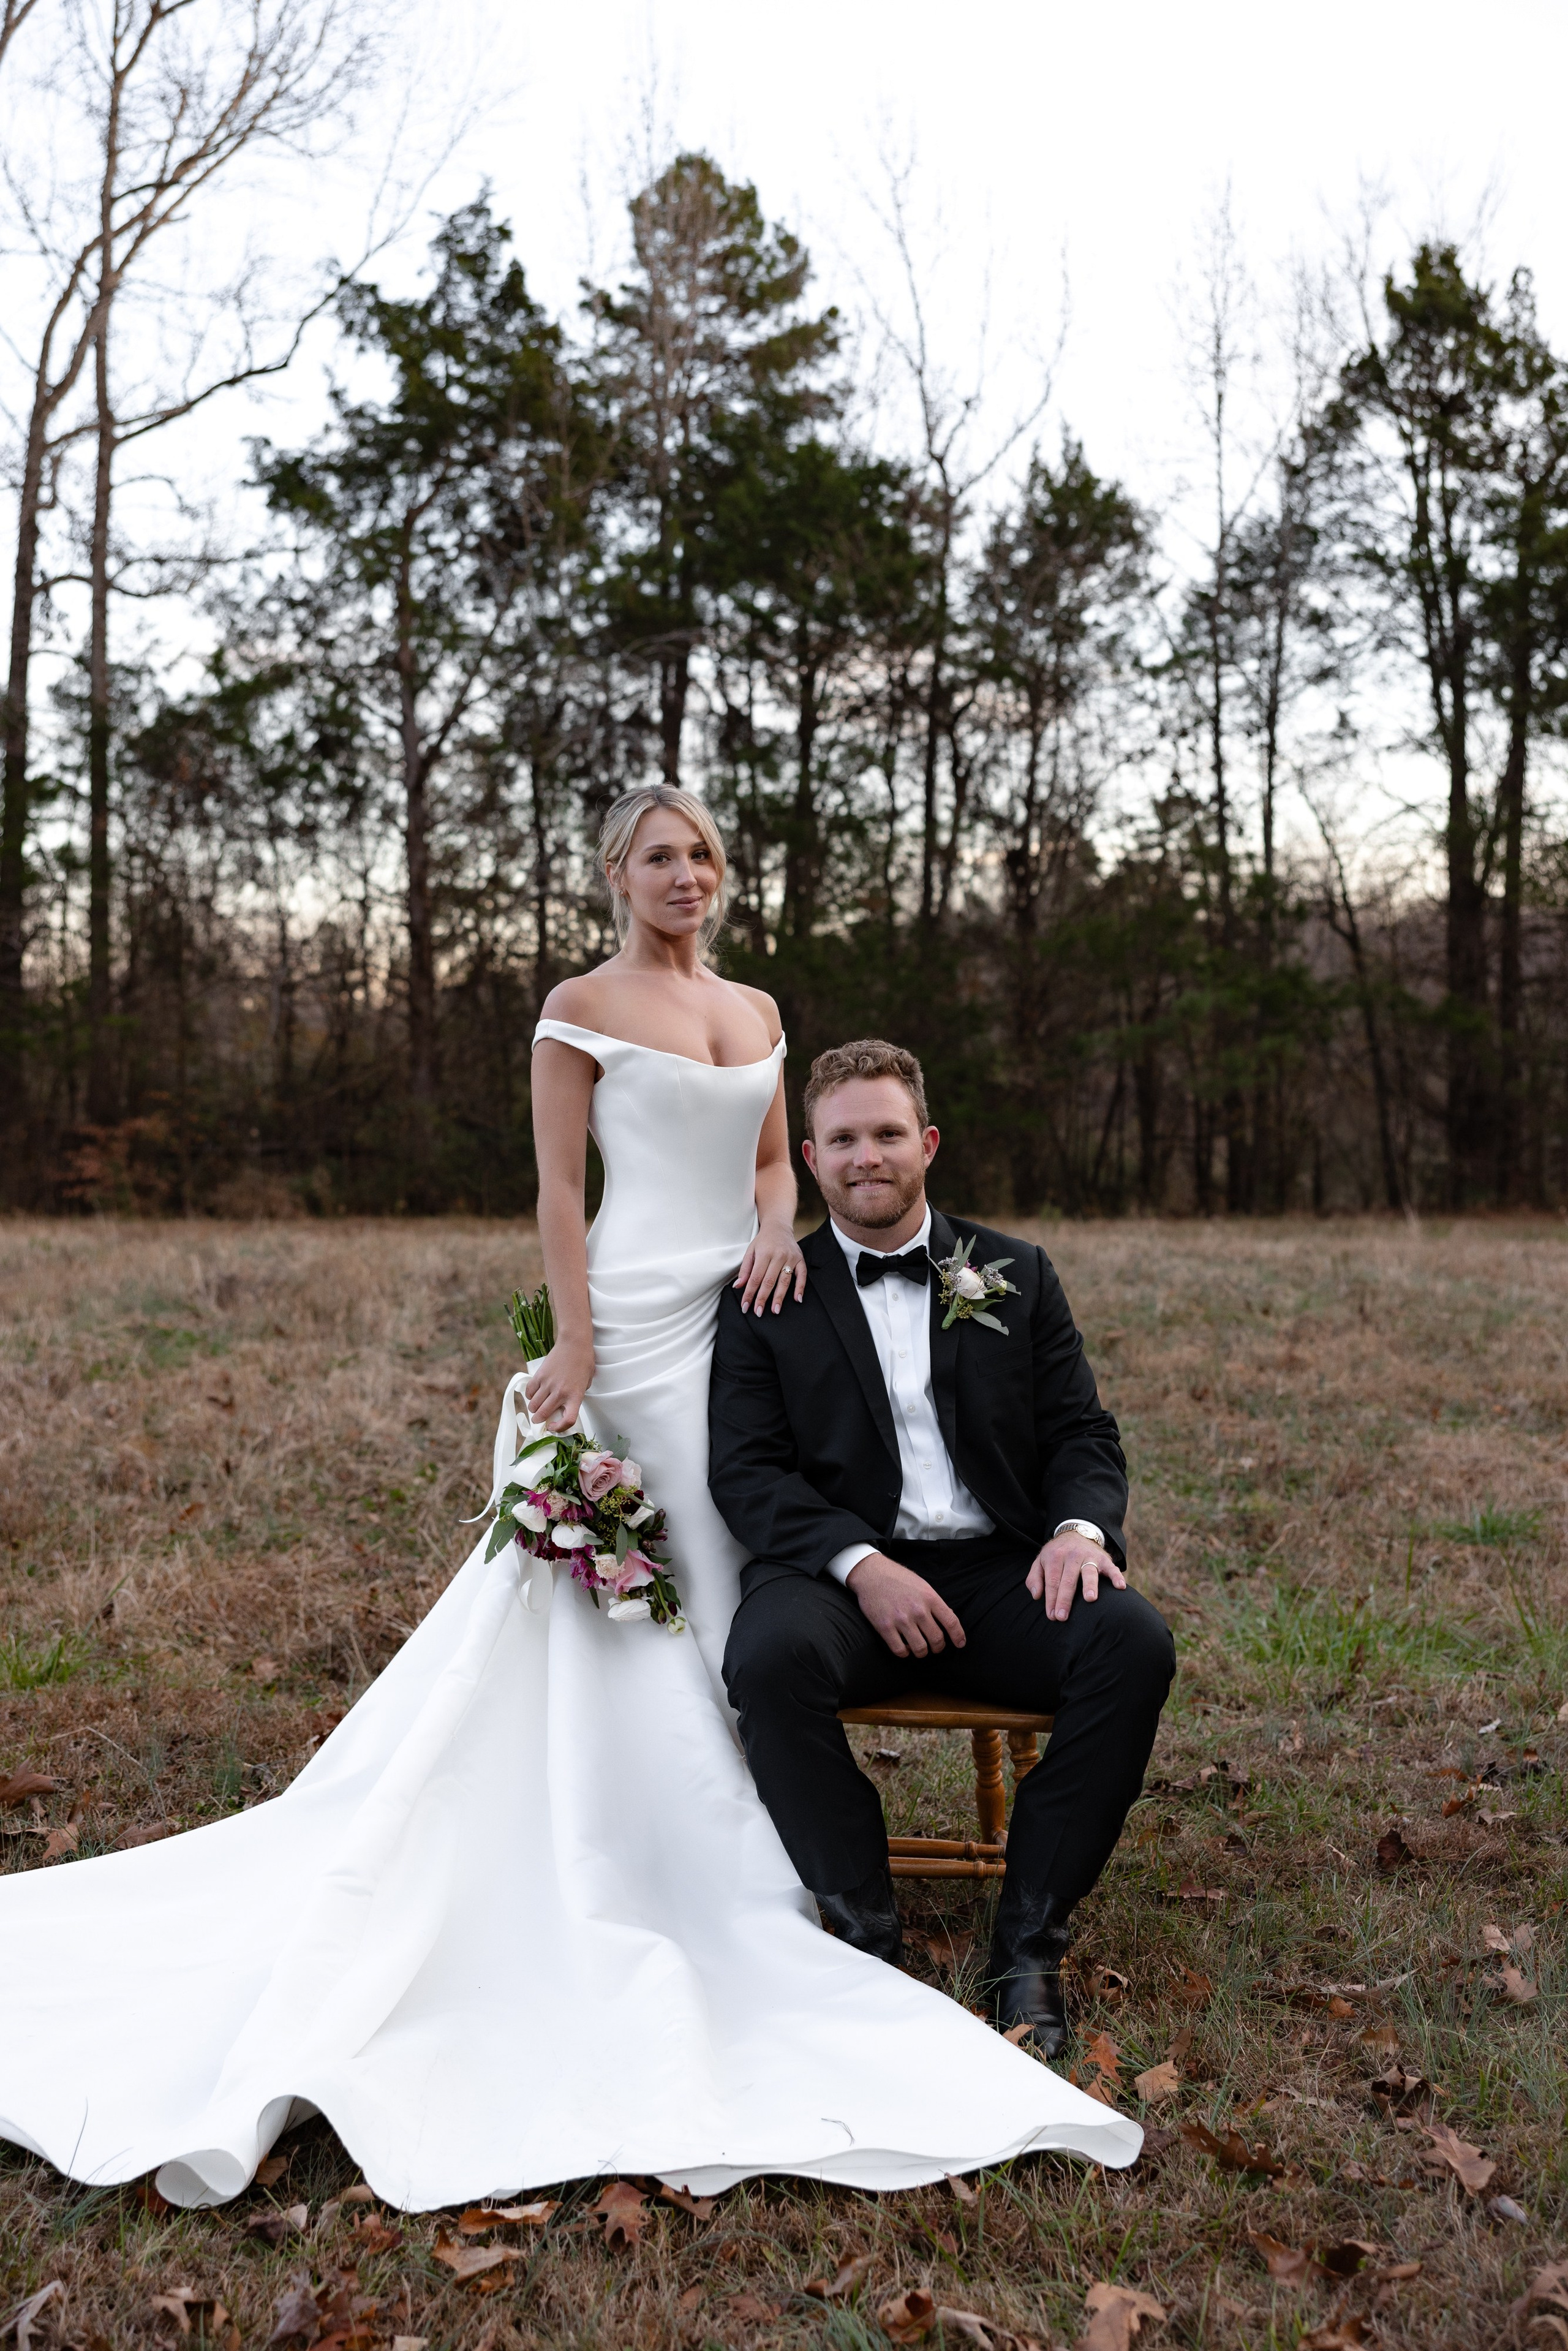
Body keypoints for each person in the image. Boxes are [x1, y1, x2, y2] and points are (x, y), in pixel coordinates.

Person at [0, 787, 1139, 2213]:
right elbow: (555, 1186)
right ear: (615, 872)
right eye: (659, 855)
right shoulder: (576, 1006)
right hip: (629, 1318)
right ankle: (646, 1840)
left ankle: (762, 1838)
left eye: (701, 852)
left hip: (742, 1302)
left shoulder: (756, 1007)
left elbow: (775, 1159)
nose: (685, 872)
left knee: (733, 1574)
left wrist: (773, 1239)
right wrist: (578, 1338)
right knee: (644, 1588)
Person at [710, 1039, 1176, 2055]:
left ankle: (1028, 1942)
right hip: (844, 1576)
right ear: (810, 1156)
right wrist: (861, 1564)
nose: (866, 1156)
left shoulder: (1017, 1273)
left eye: (887, 1133)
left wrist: (1076, 1530)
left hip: (1002, 1570)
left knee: (1132, 1643)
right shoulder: (767, 1291)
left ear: (927, 1143)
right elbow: (746, 1472)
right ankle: (864, 1932)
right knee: (768, 1656)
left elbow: (1083, 1433)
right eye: (843, 1139)